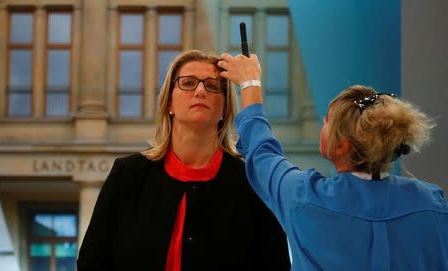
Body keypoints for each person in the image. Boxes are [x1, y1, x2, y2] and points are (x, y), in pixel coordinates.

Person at [218, 53, 448, 271]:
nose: (323, 123)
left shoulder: (304, 198)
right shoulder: (432, 203)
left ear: (342, 145)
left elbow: (262, 153)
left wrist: (249, 82)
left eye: (327, 120)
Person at [76, 50, 290, 271]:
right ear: (169, 102)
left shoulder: (252, 183)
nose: (199, 91)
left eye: (212, 86)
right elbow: (92, 262)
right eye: (188, 83)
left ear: (225, 108)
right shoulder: (127, 174)